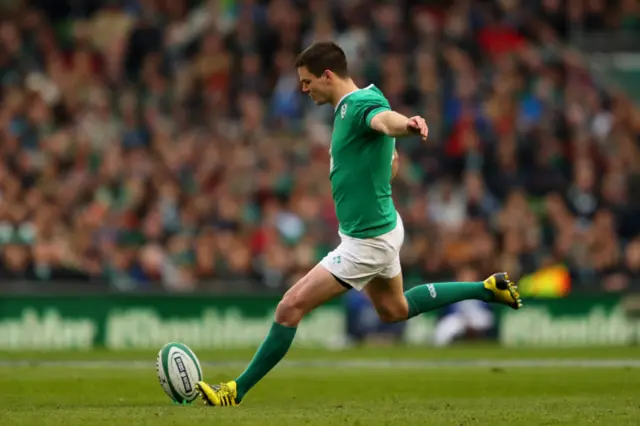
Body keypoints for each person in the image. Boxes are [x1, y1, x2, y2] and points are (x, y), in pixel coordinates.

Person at [196, 42, 523, 407]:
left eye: (307, 82)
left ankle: (234, 391)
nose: (304, 90)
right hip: (383, 228)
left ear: (328, 75)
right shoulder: (360, 99)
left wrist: (409, 124)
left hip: (365, 242)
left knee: (289, 308)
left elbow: (384, 120)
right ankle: (486, 288)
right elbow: (387, 151)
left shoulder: (357, 106)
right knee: (394, 310)